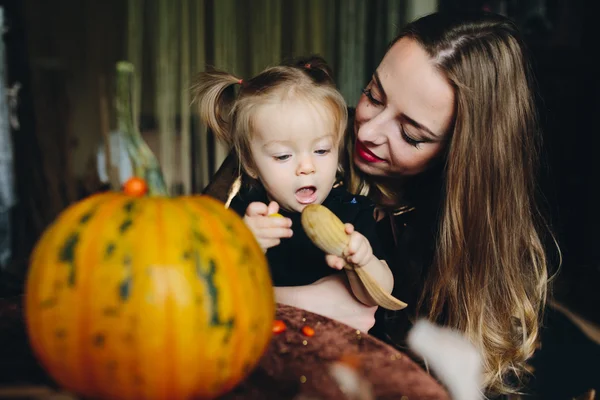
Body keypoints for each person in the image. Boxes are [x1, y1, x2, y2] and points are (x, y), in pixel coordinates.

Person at [203, 11, 555, 397]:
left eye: (409, 133)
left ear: (461, 153)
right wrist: (284, 302)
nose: (366, 131)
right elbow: (187, 284)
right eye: (373, 94)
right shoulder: (292, 135)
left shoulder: (457, 233)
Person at [192, 57, 397, 313]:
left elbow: (381, 294)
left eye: (322, 150)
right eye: (283, 156)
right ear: (250, 163)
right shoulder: (244, 212)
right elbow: (210, 290)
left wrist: (363, 261)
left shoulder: (353, 212)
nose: (306, 167)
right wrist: (244, 245)